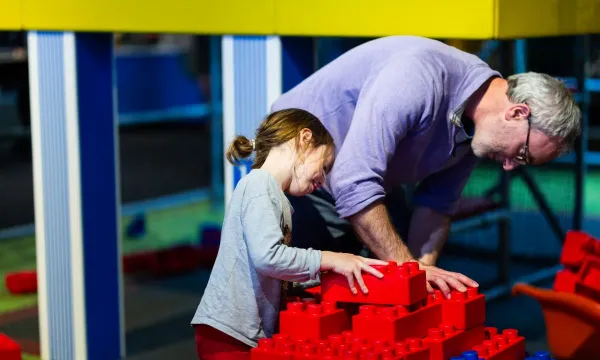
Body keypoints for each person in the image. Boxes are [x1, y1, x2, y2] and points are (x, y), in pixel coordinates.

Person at [271, 36, 581, 298]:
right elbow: (353, 181)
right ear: (516, 113)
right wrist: (412, 273)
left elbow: (436, 205)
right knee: (305, 301)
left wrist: (424, 281)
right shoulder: (418, 77)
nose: (511, 166)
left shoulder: (477, 127)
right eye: (523, 153)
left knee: (395, 267)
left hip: (364, 180)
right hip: (298, 175)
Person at [191, 108, 388, 359]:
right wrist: (332, 258)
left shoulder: (272, 194)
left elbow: (270, 270)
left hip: (241, 333)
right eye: (325, 166)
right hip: (229, 333)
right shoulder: (259, 185)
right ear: (305, 138)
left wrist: (324, 275)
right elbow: (267, 257)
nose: (323, 180)